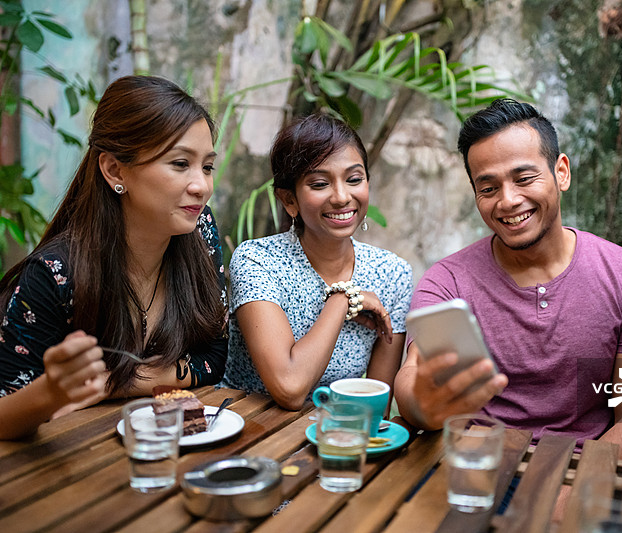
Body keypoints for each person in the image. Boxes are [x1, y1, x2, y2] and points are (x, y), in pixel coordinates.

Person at [394, 98, 622, 457]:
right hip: (473, 471)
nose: (508, 201)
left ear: (561, 172)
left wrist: (563, 497)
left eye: (524, 179)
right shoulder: (448, 282)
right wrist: (423, 403)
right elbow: (412, 381)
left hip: (583, 473)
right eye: (488, 188)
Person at [0, 76, 228, 440]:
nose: (201, 185)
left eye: (207, 166)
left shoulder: (199, 231)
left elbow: (214, 359)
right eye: (180, 163)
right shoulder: (55, 275)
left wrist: (110, 382)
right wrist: (51, 394)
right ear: (115, 170)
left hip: (170, 454)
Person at [221, 113, 412, 410]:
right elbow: (289, 388)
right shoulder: (258, 262)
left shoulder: (392, 274)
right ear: (289, 200)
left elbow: (376, 405)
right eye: (320, 183)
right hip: (249, 434)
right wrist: (343, 299)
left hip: (334, 436)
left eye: (354, 179)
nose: (341, 196)